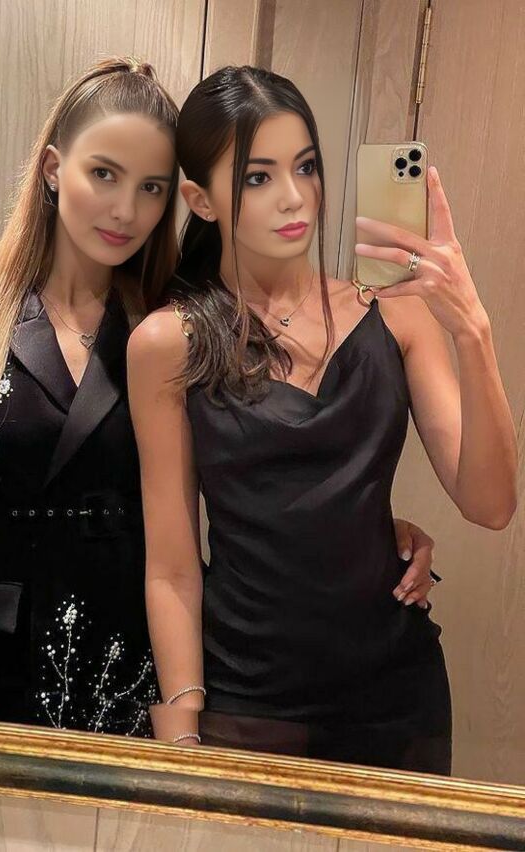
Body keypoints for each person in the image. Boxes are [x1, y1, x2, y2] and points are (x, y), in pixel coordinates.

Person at [127, 66, 517, 772]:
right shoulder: (169, 343)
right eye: (258, 177)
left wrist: (472, 330)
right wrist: (180, 736)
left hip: (395, 694)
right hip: (247, 699)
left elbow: (490, 504)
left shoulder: (394, 313)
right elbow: (173, 567)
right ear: (200, 200)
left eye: (306, 166)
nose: (294, 195)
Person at [0, 57, 179, 734]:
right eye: (103, 173)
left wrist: (373, 529)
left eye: (152, 188)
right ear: (53, 168)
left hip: (141, 656)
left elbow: (255, 473)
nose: (126, 210)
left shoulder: (177, 325)